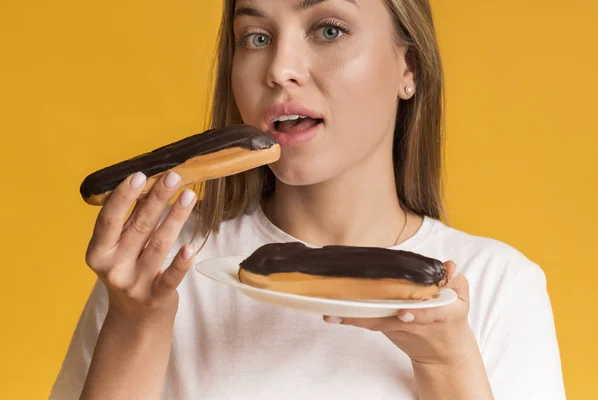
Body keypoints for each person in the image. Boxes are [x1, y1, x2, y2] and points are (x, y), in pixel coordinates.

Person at [50, 0, 566, 399]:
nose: (279, 69)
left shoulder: (498, 284)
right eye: (255, 37)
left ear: (408, 66)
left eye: (329, 30)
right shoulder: (160, 268)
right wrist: (135, 323)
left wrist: (447, 367)